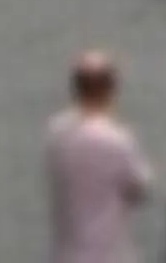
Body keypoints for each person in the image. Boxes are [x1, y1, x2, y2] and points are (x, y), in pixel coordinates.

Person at [47, 50, 153, 263]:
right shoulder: (117, 140)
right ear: (110, 89)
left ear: (75, 89)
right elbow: (140, 189)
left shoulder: (56, 133)